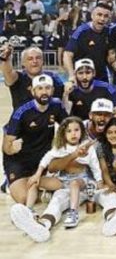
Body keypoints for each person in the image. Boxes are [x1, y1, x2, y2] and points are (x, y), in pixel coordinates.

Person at [3, 75, 68, 205]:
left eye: (47, 88)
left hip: (41, 160)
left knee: (66, 185)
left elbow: (68, 126)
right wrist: (12, 149)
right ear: (33, 91)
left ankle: (36, 182)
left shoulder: (56, 105)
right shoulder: (21, 111)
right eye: (40, 88)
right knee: (23, 199)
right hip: (19, 161)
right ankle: (10, 183)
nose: (44, 92)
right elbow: (6, 146)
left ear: (53, 90)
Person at [33, 116, 103, 229]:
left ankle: (73, 213)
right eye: (69, 131)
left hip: (81, 178)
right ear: (63, 133)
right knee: (36, 181)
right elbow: (46, 158)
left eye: (76, 130)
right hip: (63, 179)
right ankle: (29, 209)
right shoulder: (60, 147)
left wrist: (99, 180)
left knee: (74, 183)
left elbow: (95, 165)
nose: (73, 133)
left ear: (82, 131)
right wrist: (37, 174)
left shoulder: (87, 146)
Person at [1, 44, 65, 109]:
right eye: (30, 59)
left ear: (43, 61)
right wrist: (6, 57)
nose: (35, 61)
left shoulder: (53, 78)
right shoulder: (18, 78)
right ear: (23, 63)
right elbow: (8, 72)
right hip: (23, 115)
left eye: (38, 58)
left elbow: (64, 97)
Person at [63, 1, 112, 82]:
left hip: (102, 77)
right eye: (99, 15)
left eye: (106, 16)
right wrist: (71, 75)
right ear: (92, 15)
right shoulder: (81, 31)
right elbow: (67, 54)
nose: (102, 19)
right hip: (83, 77)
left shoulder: (108, 32)